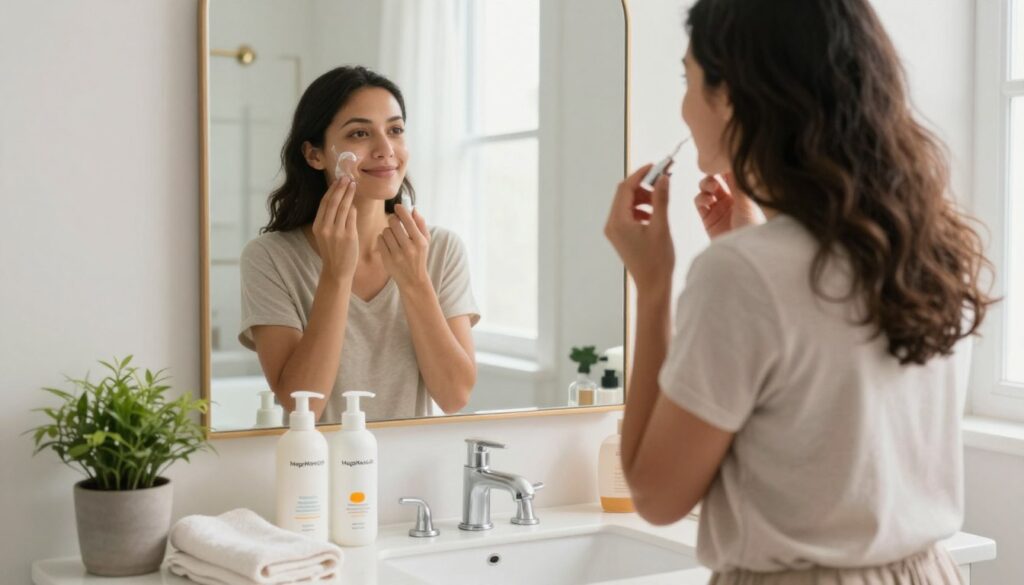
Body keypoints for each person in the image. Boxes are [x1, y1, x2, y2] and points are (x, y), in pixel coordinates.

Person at [604, 0, 995, 582]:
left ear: (732, 94)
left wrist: (654, 286)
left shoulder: (743, 275)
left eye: (687, 80)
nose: (683, 107)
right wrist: (751, 245)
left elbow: (658, 497)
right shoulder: (928, 244)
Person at [239, 66, 479, 423]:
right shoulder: (270, 258)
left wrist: (414, 281)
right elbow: (301, 404)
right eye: (360, 133)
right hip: (315, 472)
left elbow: (454, 396)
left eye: (395, 130)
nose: (386, 150)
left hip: (411, 471)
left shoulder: (441, 249)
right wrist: (336, 274)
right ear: (314, 155)